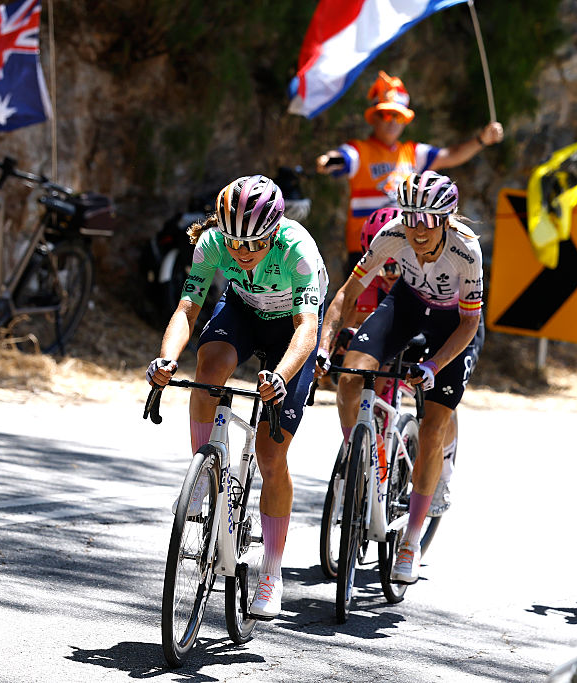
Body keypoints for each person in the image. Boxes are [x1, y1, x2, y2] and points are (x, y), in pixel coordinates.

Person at [146, 174, 328, 619]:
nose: (242, 254)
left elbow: (306, 329)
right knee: (208, 371)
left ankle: (271, 570)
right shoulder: (210, 243)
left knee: (270, 456)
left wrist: (282, 375)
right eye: (234, 244)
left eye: (253, 245)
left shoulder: (297, 251)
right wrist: (166, 359)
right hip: (244, 311)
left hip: (292, 326)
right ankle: (204, 479)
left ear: (274, 232)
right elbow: (188, 307)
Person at [315, 170, 485, 584]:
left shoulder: (467, 251)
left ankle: (410, 538)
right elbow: (347, 294)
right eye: (410, 217)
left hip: (453, 323)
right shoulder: (392, 234)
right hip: (407, 304)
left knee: (433, 427)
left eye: (426, 220)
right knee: (352, 377)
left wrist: (432, 366)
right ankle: (360, 457)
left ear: (446, 219)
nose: (416, 229)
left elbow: (468, 325)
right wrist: (323, 345)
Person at [315, 70, 504, 280]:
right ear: (374, 118)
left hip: (404, 247)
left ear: (405, 121)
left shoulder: (413, 153)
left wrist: (482, 140)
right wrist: (329, 160)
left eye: (398, 116)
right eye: (386, 114)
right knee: (360, 307)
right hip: (365, 248)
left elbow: (450, 155)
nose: (392, 121)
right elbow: (344, 158)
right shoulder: (361, 150)